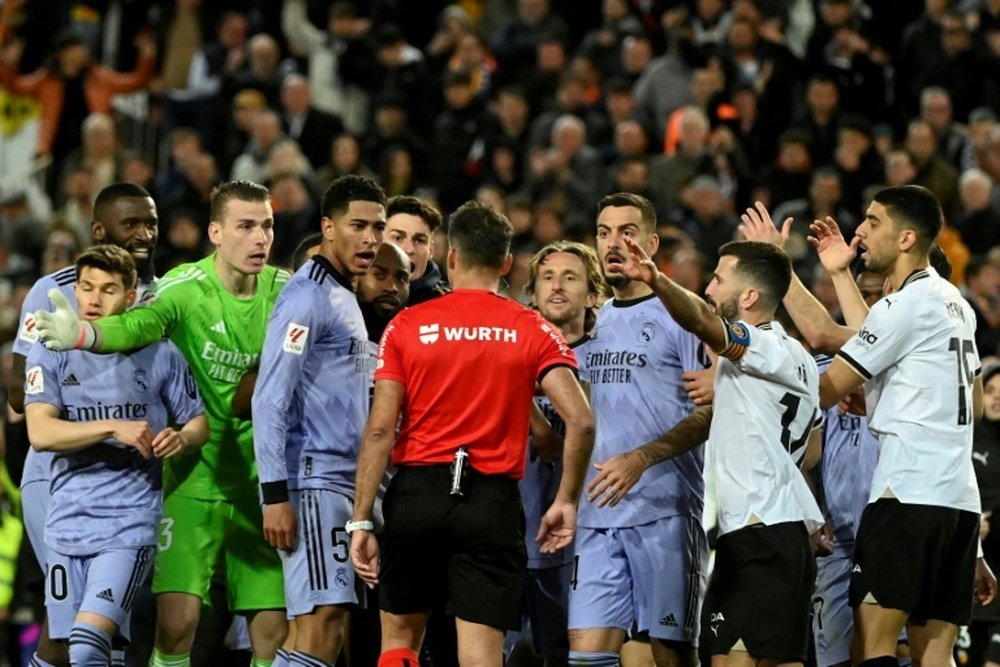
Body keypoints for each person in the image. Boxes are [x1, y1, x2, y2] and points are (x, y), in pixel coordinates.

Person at [33, 180, 291, 667]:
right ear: (215, 231)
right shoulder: (183, 289)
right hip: (190, 481)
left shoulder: (287, 292)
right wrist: (84, 333)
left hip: (258, 483)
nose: (260, 239)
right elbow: (135, 325)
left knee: (273, 633)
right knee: (176, 627)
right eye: (246, 226)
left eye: (267, 226)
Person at [739, 186, 997, 667]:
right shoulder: (955, 302)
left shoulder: (906, 306)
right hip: (956, 505)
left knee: (871, 645)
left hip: (905, 495)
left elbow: (825, 382)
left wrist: (744, 368)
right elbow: (975, 405)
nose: (860, 231)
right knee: (934, 654)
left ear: (905, 238)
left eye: (873, 222)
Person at [348, 201, 595, 667]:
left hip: (417, 494)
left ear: (451, 257)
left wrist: (362, 517)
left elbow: (380, 429)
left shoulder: (407, 325)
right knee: (480, 655)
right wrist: (566, 500)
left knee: (399, 641)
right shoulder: (530, 326)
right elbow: (581, 420)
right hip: (491, 500)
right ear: (505, 264)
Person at [616, 234, 824, 667]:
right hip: (778, 530)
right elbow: (813, 451)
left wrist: (657, 280)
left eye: (717, 279)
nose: (709, 290)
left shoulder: (760, 344)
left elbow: (703, 324)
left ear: (749, 295)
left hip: (759, 530)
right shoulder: (800, 358)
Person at [24, 245, 207, 667]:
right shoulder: (50, 350)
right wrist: (111, 427)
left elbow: (198, 423)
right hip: (65, 523)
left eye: (108, 290)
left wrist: (182, 440)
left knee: (88, 645)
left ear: (129, 298)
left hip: (128, 525)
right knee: (64, 655)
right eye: (86, 287)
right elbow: (40, 432)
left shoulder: (159, 353)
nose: (93, 299)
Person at [11, 181, 159, 667]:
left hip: (134, 478)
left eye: (150, 223)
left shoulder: (166, 297)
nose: (144, 233)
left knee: (113, 628)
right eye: (130, 223)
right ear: (98, 230)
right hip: (57, 473)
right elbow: (18, 394)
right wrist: (79, 362)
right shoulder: (51, 291)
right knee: (67, 628)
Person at [568, 193, 707, 667]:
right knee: (585, 657)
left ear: (650, 242)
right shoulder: (594, 323)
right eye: (603, 232)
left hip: (664, 509)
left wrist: (642, 458)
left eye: (626, 233)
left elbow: (708, 414)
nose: (612, 243)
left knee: (670, 656)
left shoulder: (682, 317)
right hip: (596, 513)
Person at [253, 175, 386, 667]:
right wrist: (275, 495)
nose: (370, 238)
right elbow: (269, 399)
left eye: (378, 226)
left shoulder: (342, 295)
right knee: (323, 624)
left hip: (340, 482)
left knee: (316, 627)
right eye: (358, 225)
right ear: (328, 228)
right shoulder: (305, 296)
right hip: (312, 481)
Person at [512, 241, 608, 667]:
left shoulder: (608, 358)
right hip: (512, 530)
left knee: (565, 656)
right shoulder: (510, 352)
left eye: (570, 278)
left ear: (593, 295)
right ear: (532, 292)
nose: (557, 286)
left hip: (580, 540)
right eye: (547, 277)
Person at [384, 195, 450, 305]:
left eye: (419, 241)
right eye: (398, 238)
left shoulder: (448, 304)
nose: (409, 249)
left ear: (431, 250)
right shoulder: (357, 297)